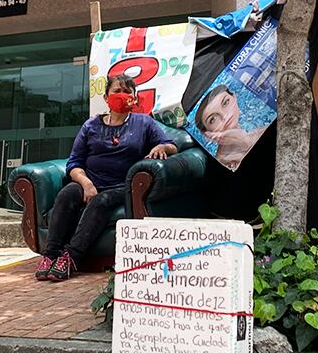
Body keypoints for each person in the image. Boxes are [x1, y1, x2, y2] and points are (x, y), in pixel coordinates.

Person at [36, 74, 178, 282]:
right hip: (90, 181)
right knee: (67, 193)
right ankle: (50, 255)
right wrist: (86, 183)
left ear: (134, 98)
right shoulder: (91, 126)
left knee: (101, 201)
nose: (122, 95)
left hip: (122, 187)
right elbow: (74, 163)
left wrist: (162, 147)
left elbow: (172, 145)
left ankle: (71, 257)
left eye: (127, 92)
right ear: (106, 97)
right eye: (117, 91)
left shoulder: (144, 123)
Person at [194, 84, 269, 169]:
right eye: (213, 119)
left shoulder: (260, 131)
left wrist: (246, 141)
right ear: (206, 134)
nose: (224, 116)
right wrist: (246, 142)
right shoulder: (224, 163)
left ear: (234, 97)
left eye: (225, 102)